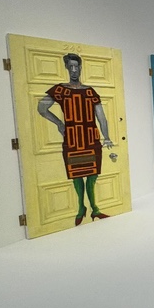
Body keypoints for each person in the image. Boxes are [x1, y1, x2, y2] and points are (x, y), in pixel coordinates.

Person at [38, 53, 114, 225]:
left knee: (92, 175)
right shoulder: (60, 90)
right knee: (76, 176)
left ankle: (95, 209)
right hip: (72, 140)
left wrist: (107, 137)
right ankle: (81, 208)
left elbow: (101, 117)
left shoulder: (90, 91)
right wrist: (59, 123)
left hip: (91, 139)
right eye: (70, 66)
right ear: (66, 67)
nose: (73, 70)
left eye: (76, 66)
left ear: (80, 67)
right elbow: (41, 108)